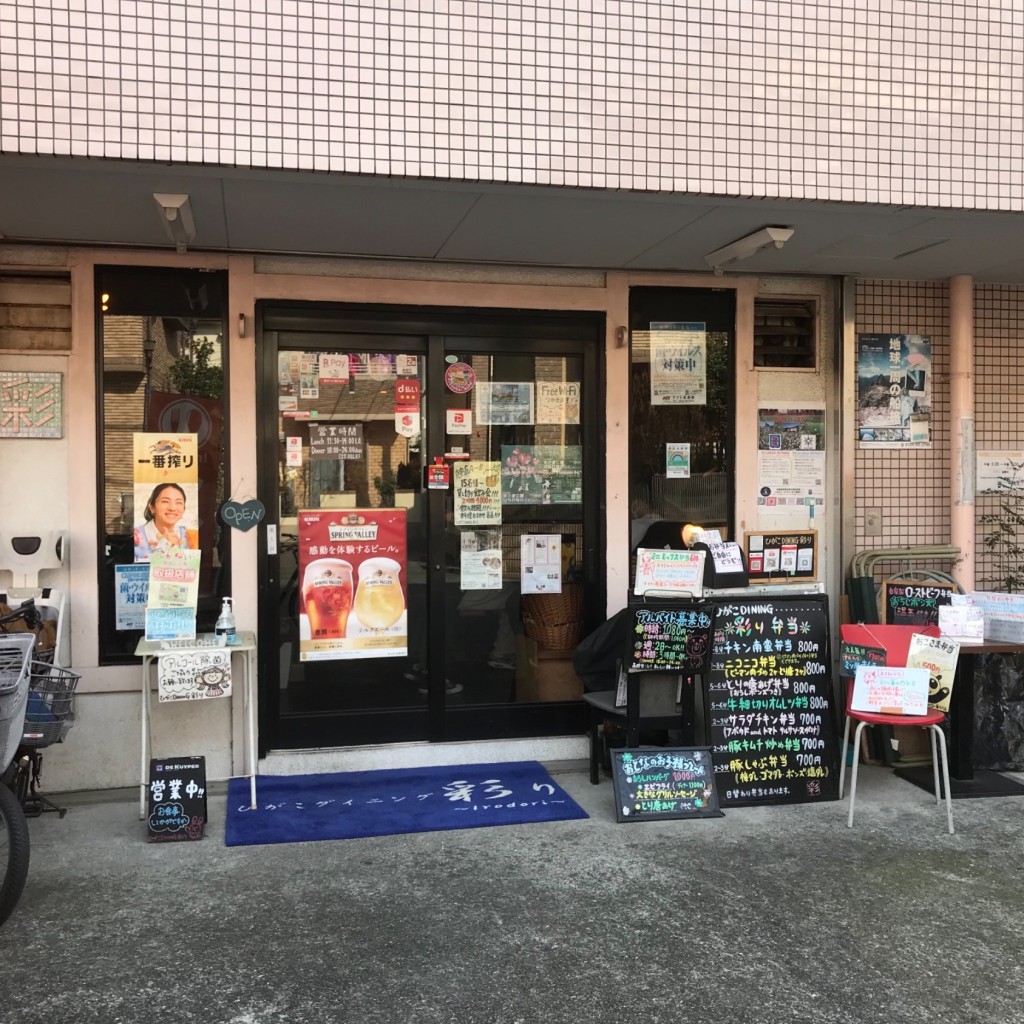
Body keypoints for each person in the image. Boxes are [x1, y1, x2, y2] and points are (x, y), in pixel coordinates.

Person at [133, 482, 196, 561]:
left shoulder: (190, 536)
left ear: (183, 510)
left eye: (179, 502)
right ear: (152, 507)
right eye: (165, 501)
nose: (172, 508)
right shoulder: (135, 536)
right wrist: (163, 544)